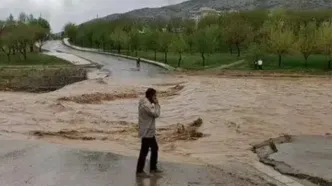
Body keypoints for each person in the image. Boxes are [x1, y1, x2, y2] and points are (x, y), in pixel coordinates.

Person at [136, 88, 162, 177]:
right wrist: (157, 104)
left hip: (146, 130)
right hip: (147, 131)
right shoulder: (147, 106)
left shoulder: (143, 102)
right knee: (146, 150)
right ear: (151, 96)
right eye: (155, 96)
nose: (155, 97)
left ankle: (151, 168)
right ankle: (142, 170)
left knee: (152, 149)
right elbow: (156, 114)